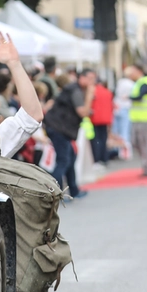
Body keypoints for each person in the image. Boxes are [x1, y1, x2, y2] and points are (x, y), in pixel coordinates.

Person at [42, 68, 86, 198]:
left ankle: (74, 190)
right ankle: (57, 193)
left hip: (58, 128)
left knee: (70, 157)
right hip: (59, 129)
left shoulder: (65, 93)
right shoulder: (74, 92)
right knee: (63, 160)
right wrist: (89, 95)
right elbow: (82, 112)